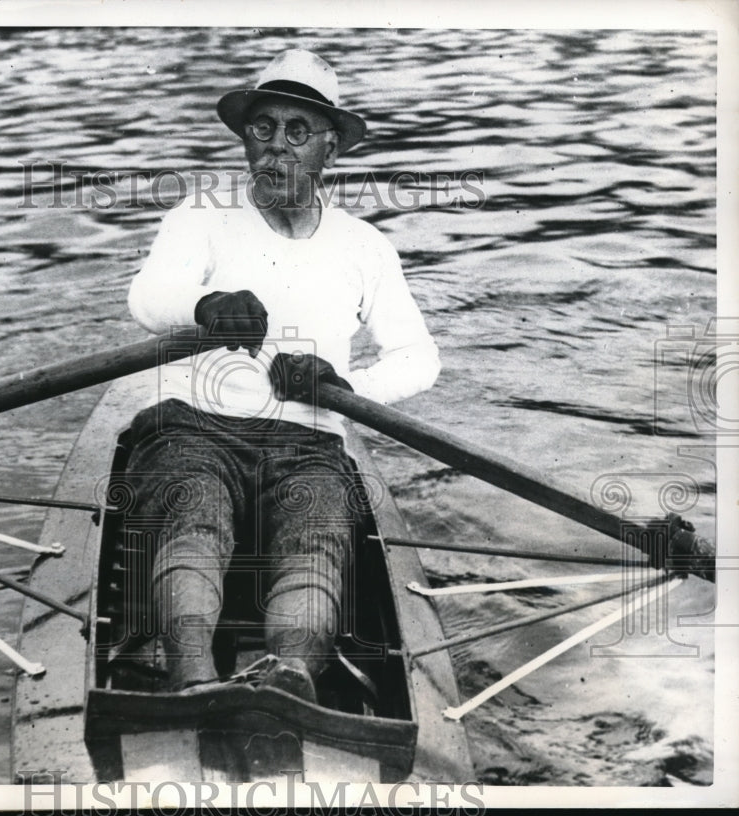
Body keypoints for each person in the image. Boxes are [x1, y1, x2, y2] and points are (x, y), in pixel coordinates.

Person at [123, 49, 441, 702]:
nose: (276, 150)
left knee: (318, 529)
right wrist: (204, 305)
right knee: (196, 514)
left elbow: (418, 359)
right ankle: (192, 678)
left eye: (298, 132)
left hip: (308, 445)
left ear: (330, 149)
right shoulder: (199, 217)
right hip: (192, 428)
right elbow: (148, 297)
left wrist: (348, 386)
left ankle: (291, 674)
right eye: (263, 129)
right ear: (246, 139)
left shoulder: (364, 246)